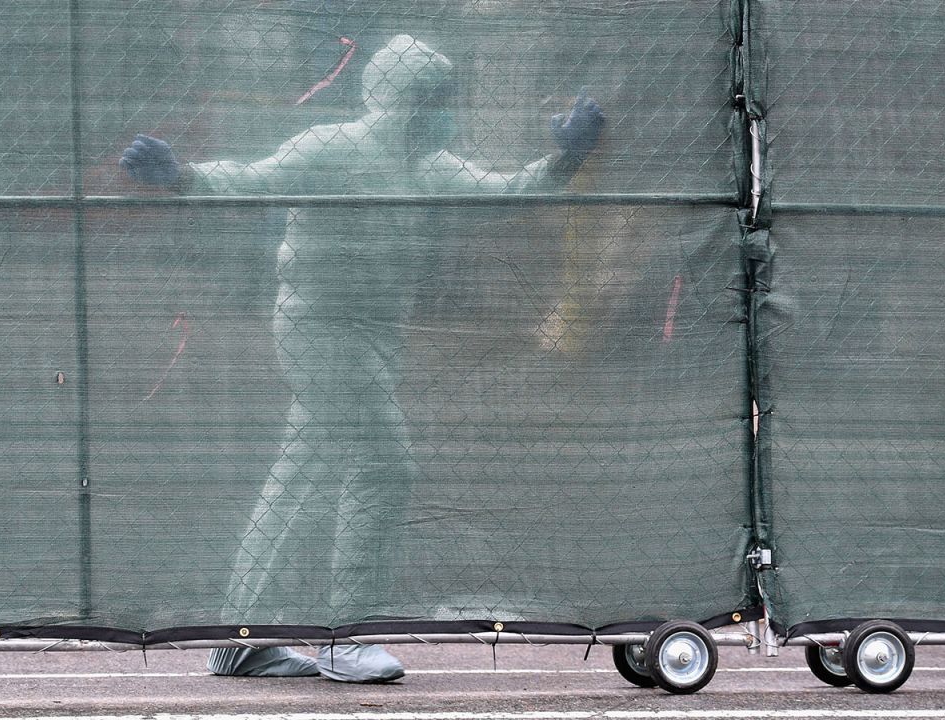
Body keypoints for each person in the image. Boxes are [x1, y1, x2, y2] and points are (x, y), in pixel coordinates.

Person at [120, 34, 604, 683]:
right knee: (386, 463)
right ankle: (345, 633)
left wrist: (565, 160)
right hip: (317, 326)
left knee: (298, 478)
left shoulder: (430, 167)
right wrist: (182, 177)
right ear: (404, 101)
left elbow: (508, 193)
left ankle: (240, 639)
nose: (444, 113)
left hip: (373, 338)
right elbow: (256, 180)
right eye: (435, 100)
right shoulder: (332, 148)